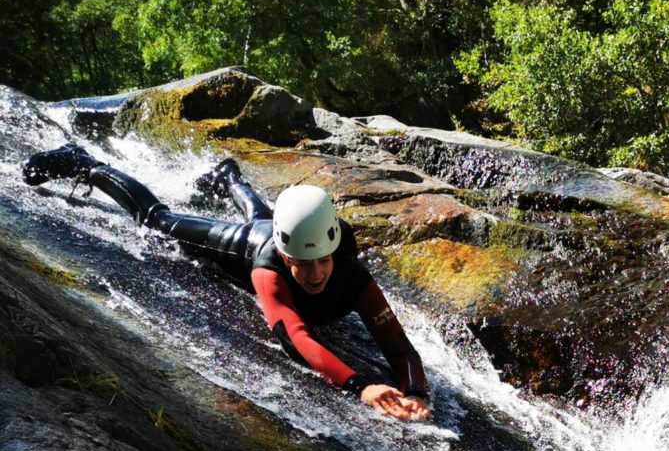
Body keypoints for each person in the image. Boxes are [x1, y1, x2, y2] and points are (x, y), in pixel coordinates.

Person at [23, 144, 430, 421]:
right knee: (158, 221)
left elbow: (400, 348)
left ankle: (228, 178)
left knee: (263, 217)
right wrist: (359, 386)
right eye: (302, 264)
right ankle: (86, 164)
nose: (315, 273)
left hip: (270, 228)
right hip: (247, 244)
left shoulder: (352, 273)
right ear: (287, 257)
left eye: (322, 262)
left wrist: (416, 393)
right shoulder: (267, 266)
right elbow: (295, 338)